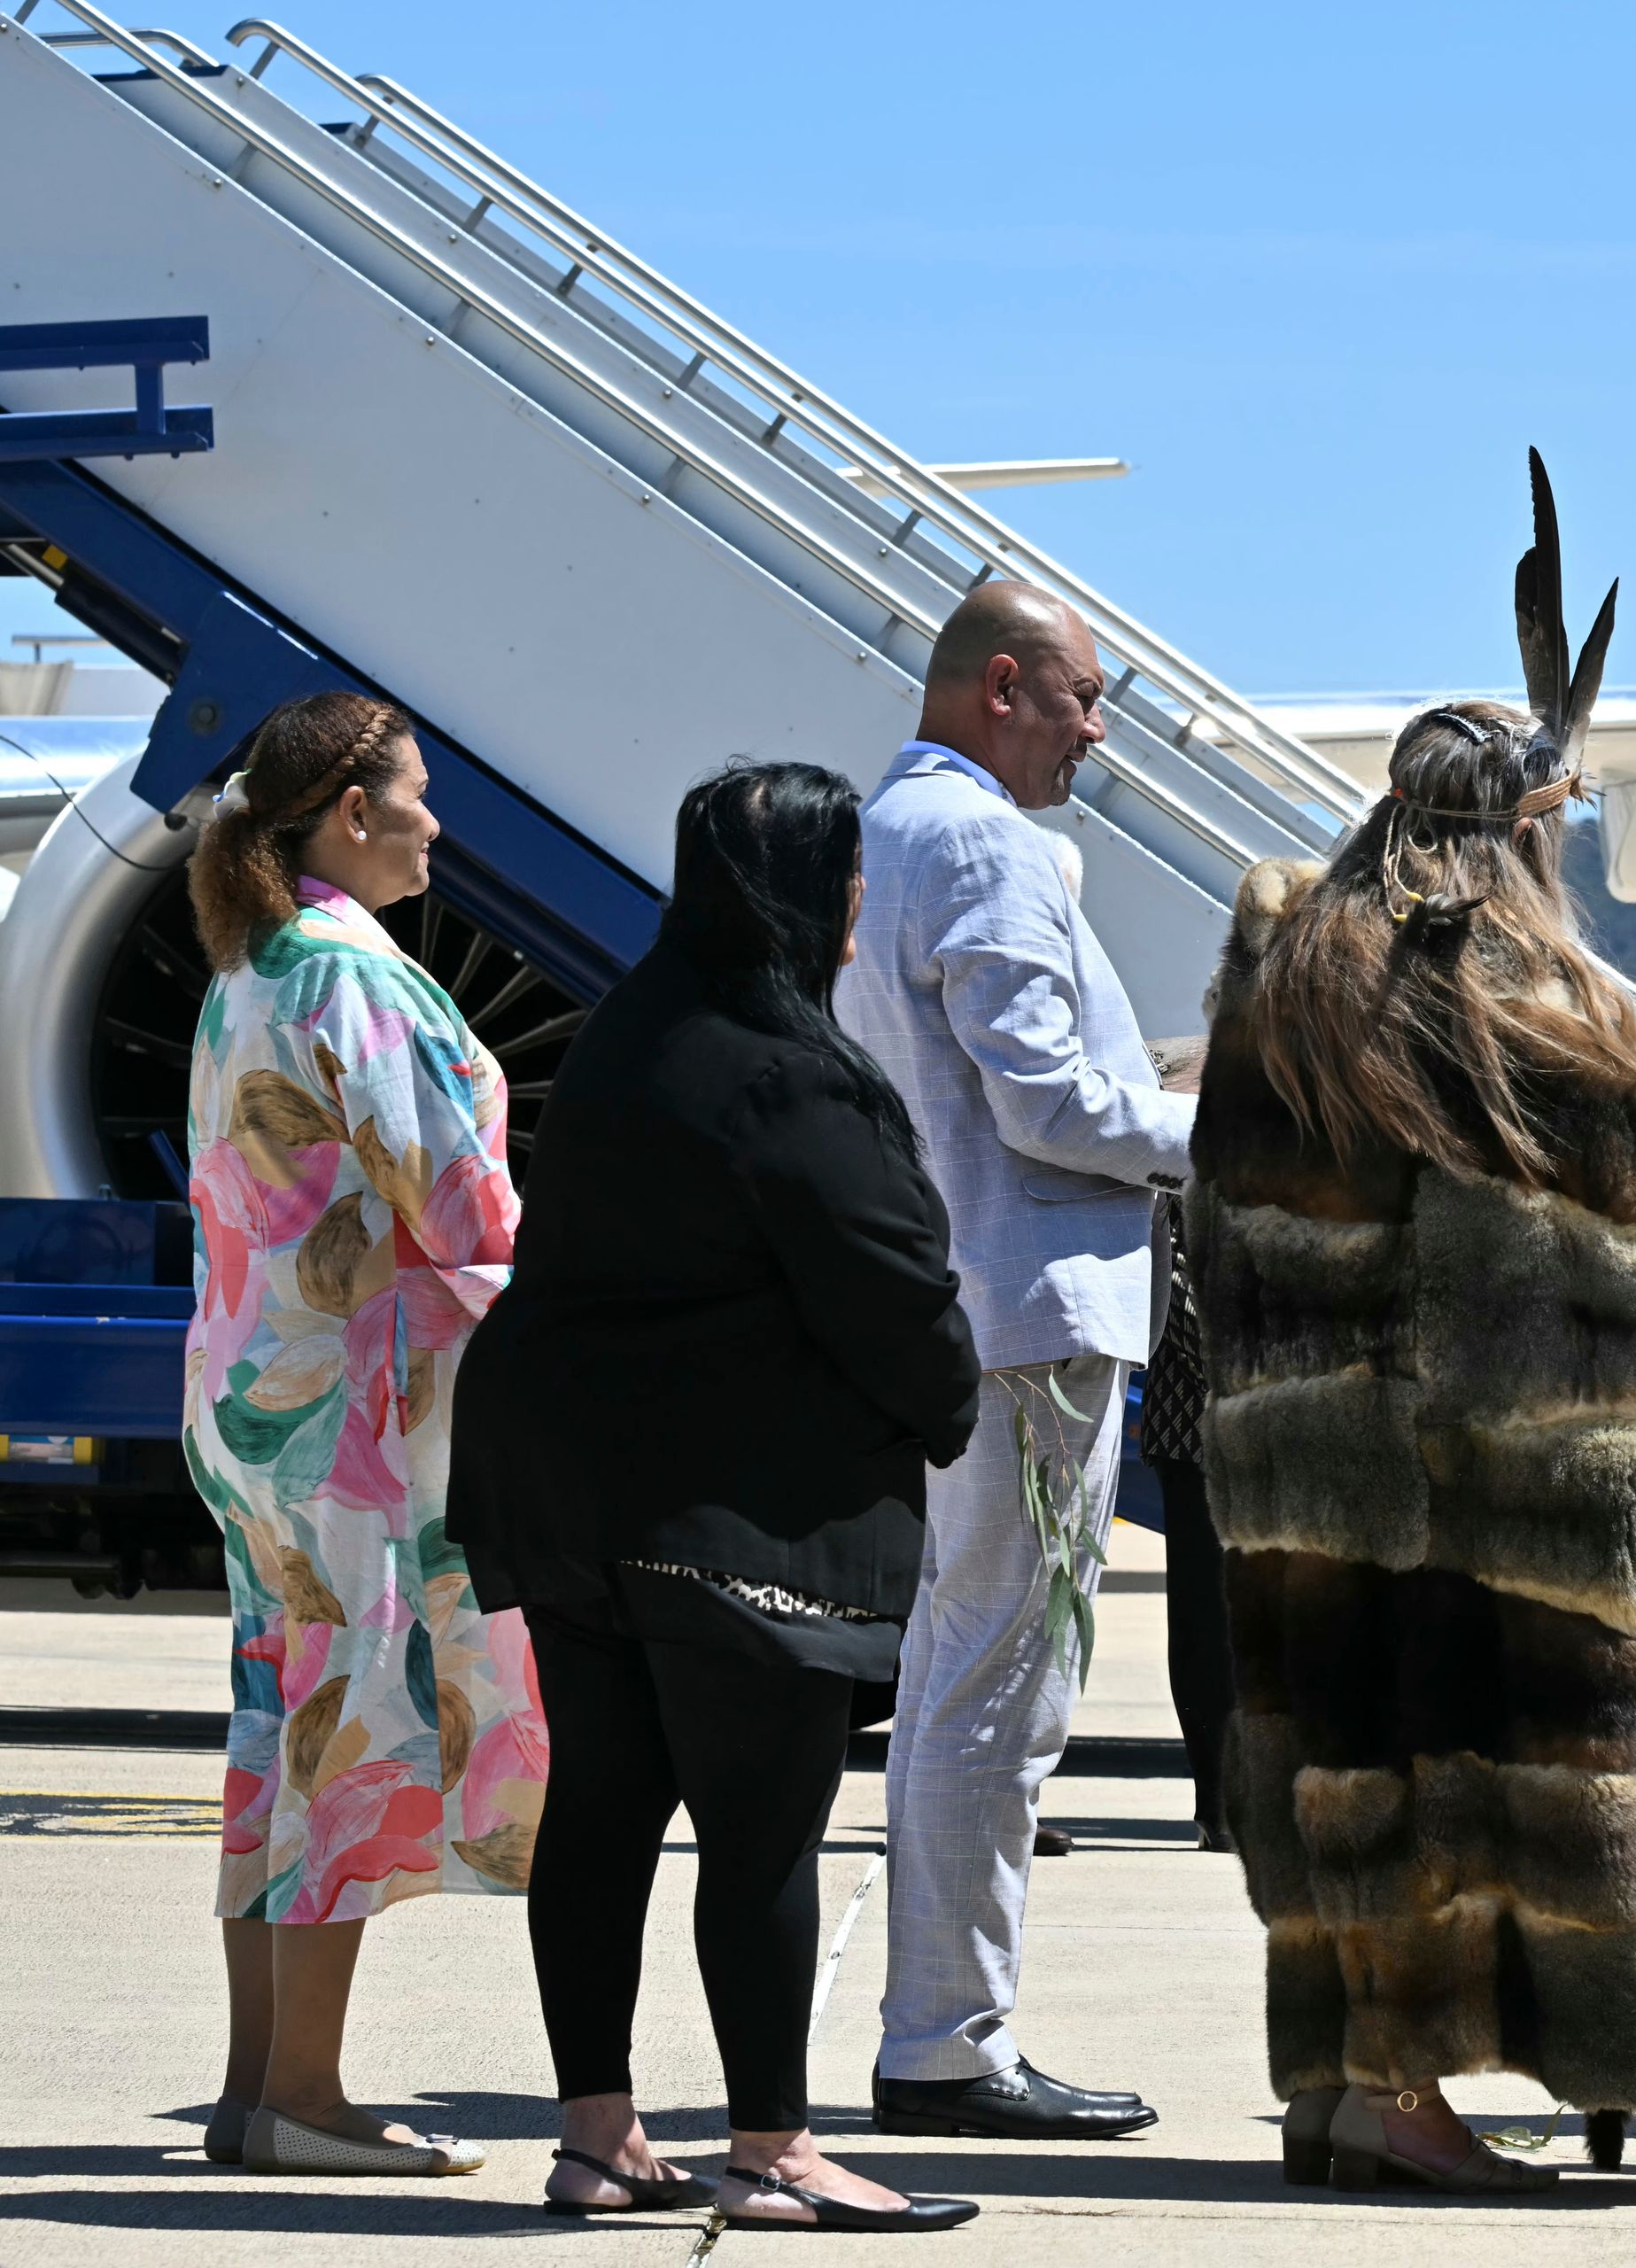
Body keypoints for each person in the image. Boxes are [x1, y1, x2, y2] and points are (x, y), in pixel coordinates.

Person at [1194, 469, 1636, 2200]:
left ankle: (1369, 2084)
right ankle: (1567, 2088)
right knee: (1580, 1765)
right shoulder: (1497, 976)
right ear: (1522, 821)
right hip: (1520, 1455)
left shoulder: (1292, 975)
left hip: (1319, 1457)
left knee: (1357, 1766)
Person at [452, 765, 984, 2232]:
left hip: (568, 1484)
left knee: (605, 1812)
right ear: (826, 895)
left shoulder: (634, 1022)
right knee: (761, 1835)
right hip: (730, 1506)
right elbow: (887, 1281)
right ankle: (772, 2149)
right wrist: (947, 1404)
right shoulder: (791, 1065)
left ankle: (598, 2137)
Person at [837, 579, 1190, 2141]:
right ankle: (948, 2042)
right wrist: (1223, 1132)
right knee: (1004, 1688)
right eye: (1084, 698)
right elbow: (1044, 1104)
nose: (1097, 732)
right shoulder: (983, 840)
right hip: (1032, 1324)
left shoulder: (885, 830)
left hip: (952, 1308)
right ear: (1003, 687)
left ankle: (940, 2027)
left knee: (953, 1671)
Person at [178, 691, 539, 2178]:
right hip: (354, 1417)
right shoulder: (354, 976)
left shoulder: (253, 967)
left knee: (281, 1726)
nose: (437, 821)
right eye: (418, 793)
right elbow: (453, 1205)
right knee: (353, 1733)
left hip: (258, 1396)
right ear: (352, 812)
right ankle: (313, 2100)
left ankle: (257, 2086)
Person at [1137, 1040, 1233, 1852]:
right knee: (1210, 1620)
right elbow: (1175, 1283)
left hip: (1212, 1418)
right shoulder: (1190, 1086)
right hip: (1204, 1416)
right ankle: (1220, 1799)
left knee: (1217, 1617)